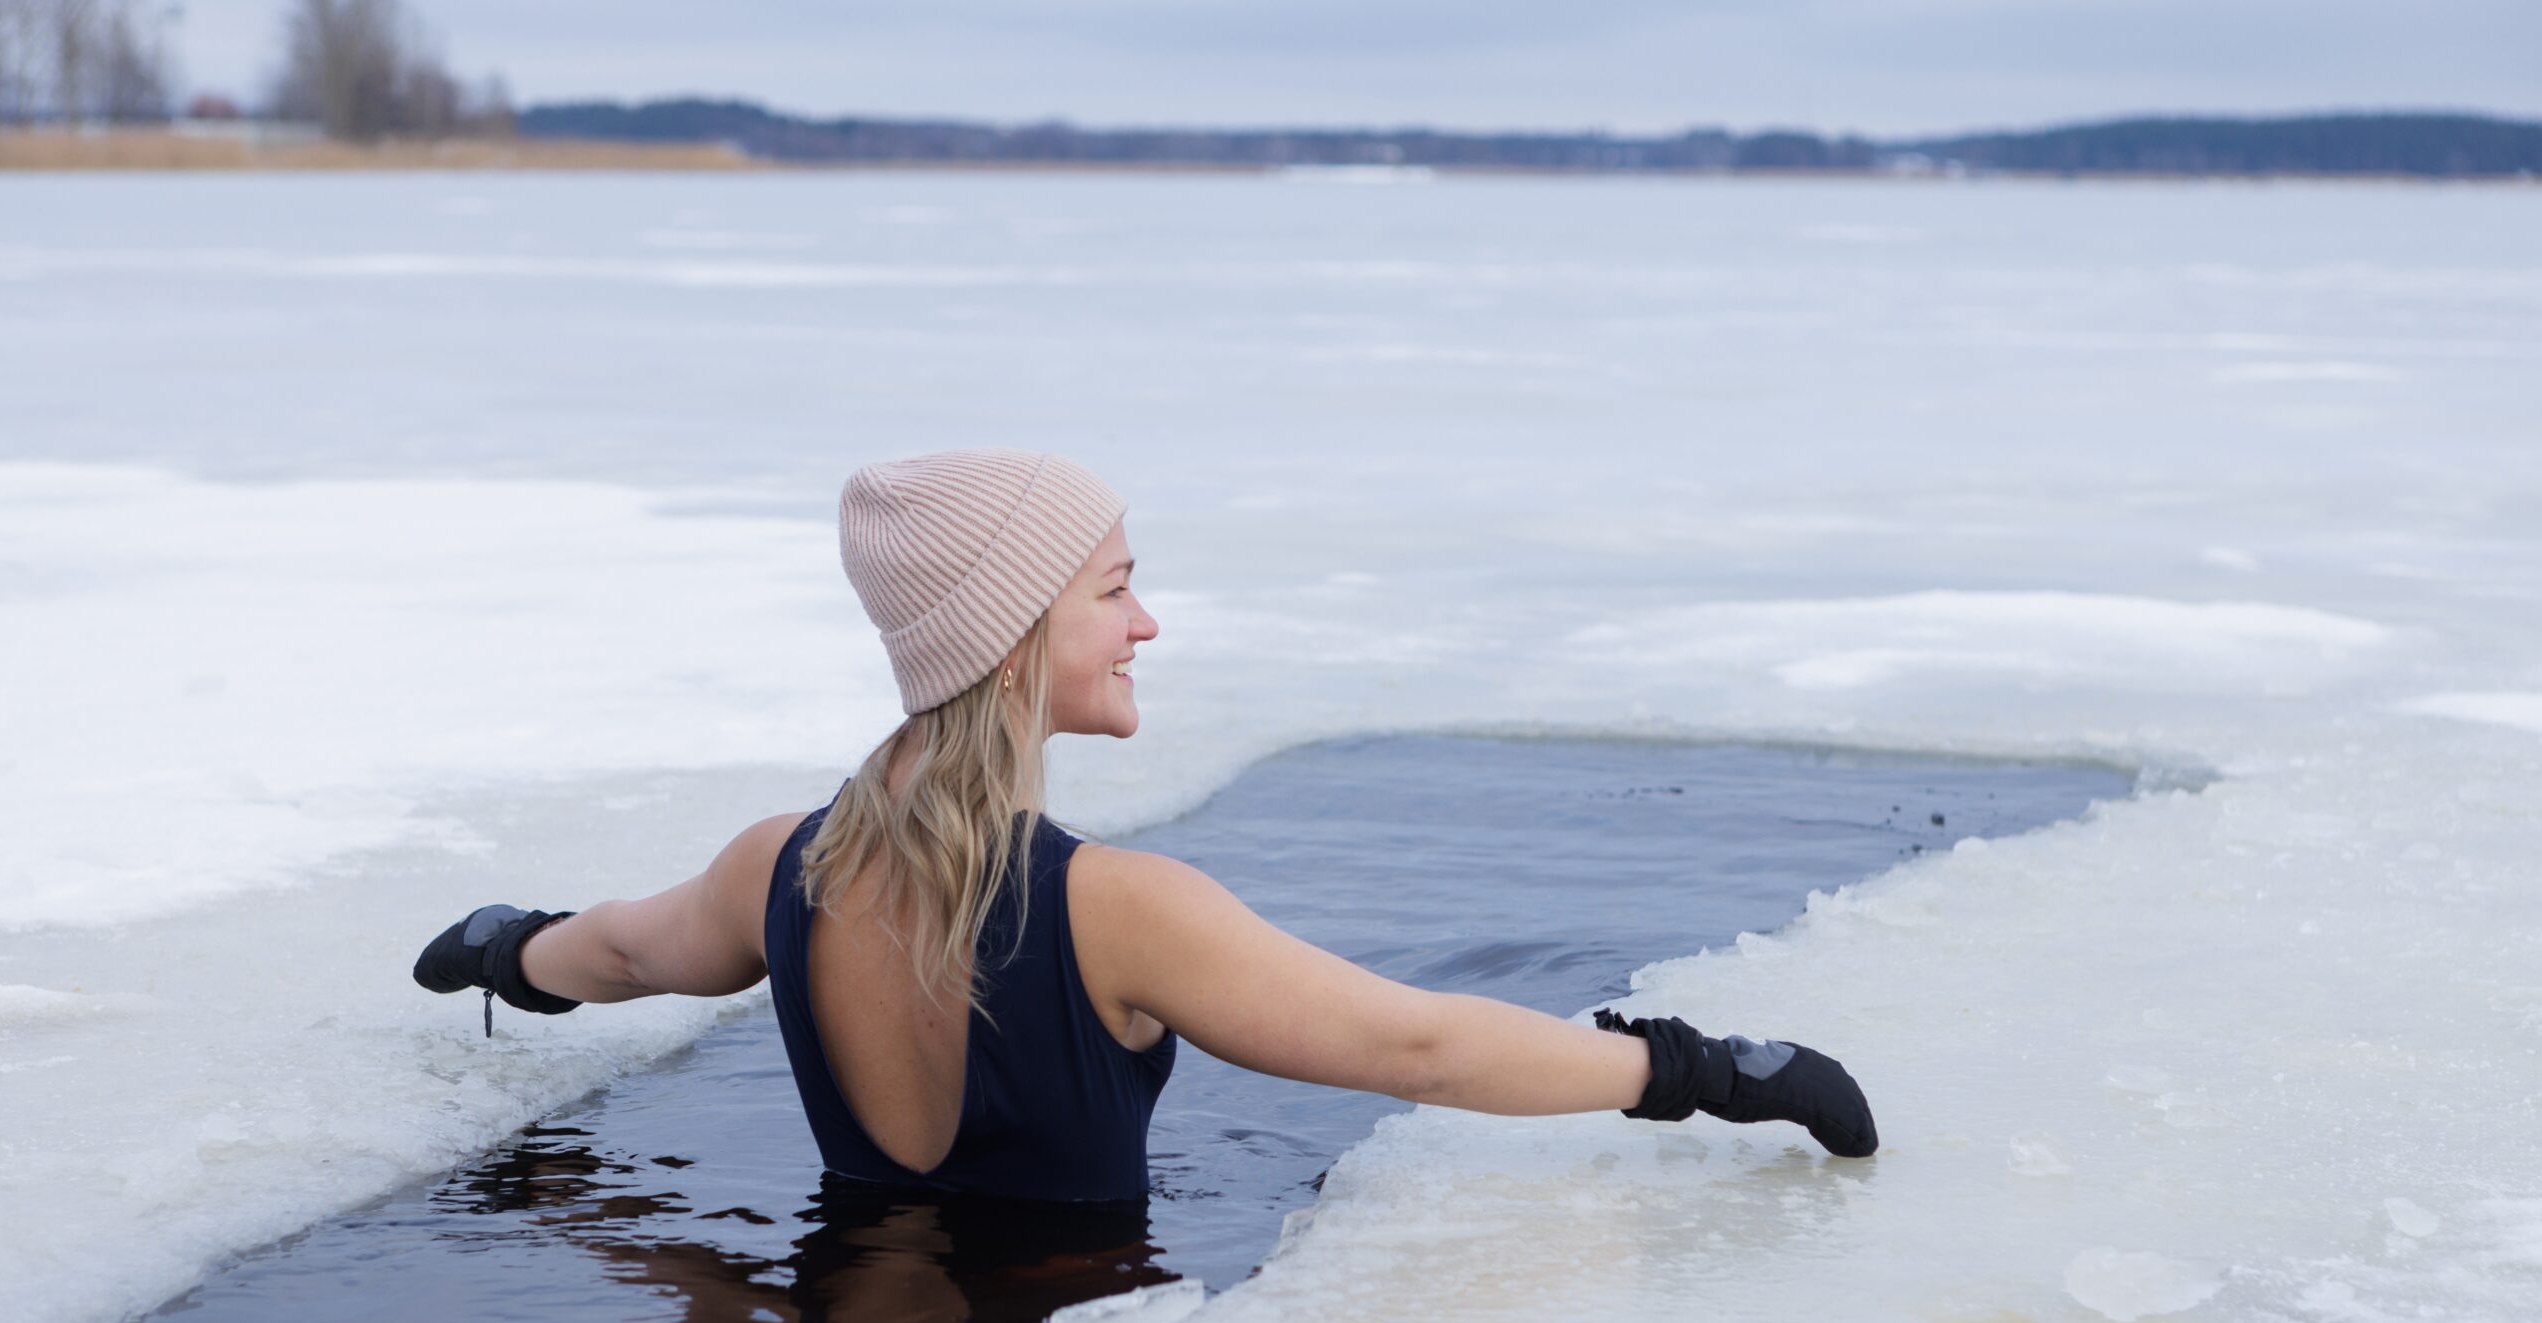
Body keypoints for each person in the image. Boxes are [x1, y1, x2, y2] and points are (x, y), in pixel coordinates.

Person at [415, 449, 1876, 1201]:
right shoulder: (1116, 911)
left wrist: (503, 950)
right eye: (1112, 588)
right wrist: (1708, 1071)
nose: (1147, 621)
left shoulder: (780, 869)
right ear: (1003, 639)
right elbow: (1412, 1045)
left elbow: (613, 955)